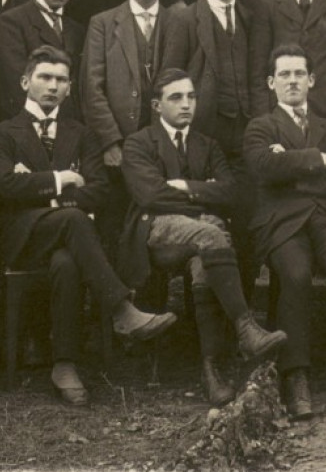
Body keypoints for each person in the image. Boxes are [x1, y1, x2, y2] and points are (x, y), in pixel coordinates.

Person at [0, 46, 176, 407]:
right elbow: (5, 186)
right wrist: (60, 180)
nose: (52, 86)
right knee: (73, 220)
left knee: (67, 262)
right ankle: (122, 310)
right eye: (44, 77)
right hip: (20, 239)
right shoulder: (1, 134)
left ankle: (64, 364)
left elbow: (100, 191)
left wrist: (43, 192)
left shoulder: (82, 134)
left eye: (60, 79)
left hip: (66, 238)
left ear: (70, 88)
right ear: (26, 82)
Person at [119, 70, 287, 405]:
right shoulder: (139, 143)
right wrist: (202, 196)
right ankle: (246, 328)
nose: (186, 105)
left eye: (191, 97)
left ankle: (210, 371)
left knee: (204, 258)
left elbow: (231, 192)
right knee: (212, 230)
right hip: (156, 230)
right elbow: (151, 196)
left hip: (200, 237)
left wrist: (186, 187)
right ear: (156, 105)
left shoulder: (207, 144)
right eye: (175, 98)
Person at [244, 44, 326, 420]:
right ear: (271, 82)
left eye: (299, 74)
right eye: (284, 75)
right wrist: (315, 159)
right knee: (295, 274)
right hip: (282, 221)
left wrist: (287, 162)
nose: (292, 81)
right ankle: (296, 373)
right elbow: (261, 167)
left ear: (312, 80)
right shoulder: (260, 126)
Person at [81, 0, 192, 245]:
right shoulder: (103, 23)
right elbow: (92, 86)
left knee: (156, 219)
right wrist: (110, 141)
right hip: (118, 139)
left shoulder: (179, 23)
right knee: (116, 217)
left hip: (159, 141)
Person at [182, 0, 254, 166]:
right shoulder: (185, 19)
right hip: (205, 124)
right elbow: (172, 75)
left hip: (246, 125)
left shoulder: (251, 18)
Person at [0, 0, 85, 122]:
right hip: (29, 123)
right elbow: (16, 84)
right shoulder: (11, 23)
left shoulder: (77, 30)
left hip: (71, 125)